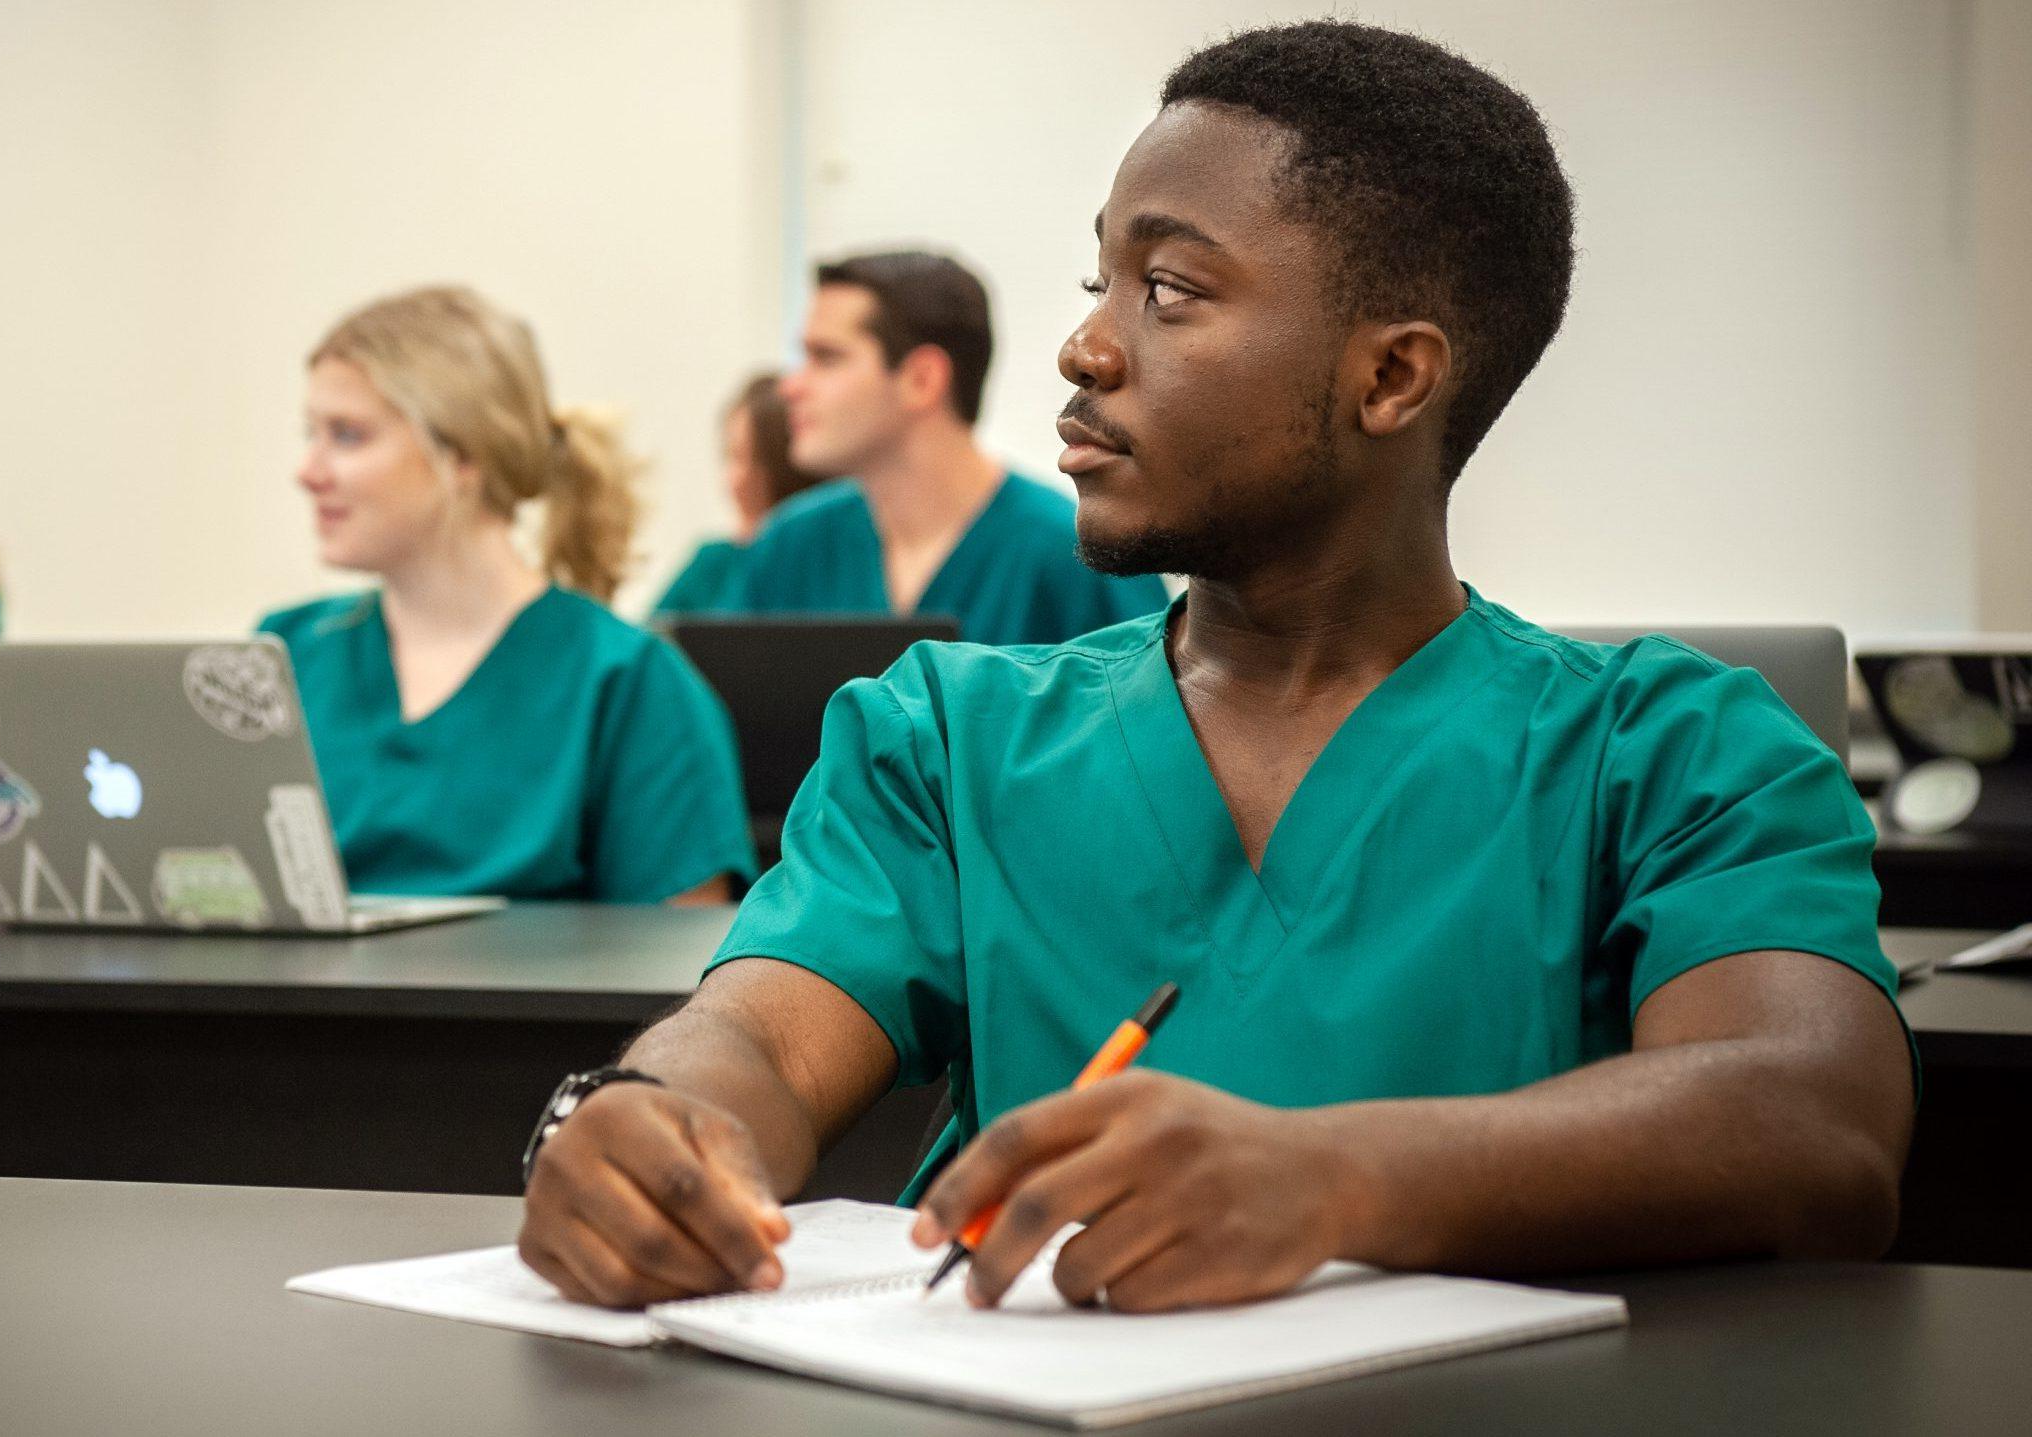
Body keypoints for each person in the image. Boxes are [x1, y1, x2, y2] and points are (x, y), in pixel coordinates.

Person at [515, 22, 1912, 1314]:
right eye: (1097, 280)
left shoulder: (1673, 753)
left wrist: (1336, 1181)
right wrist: (652, 1120)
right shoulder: (947, 737)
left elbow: (1813, 1123)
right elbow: (759, 1034)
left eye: (1170, 289)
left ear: (1391, 380)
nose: (1085, 345)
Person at [258, 287, 754, 904]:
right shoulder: (281, 658)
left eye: (348, 436)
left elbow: (688, 971)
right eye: (311, 433)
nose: (308, 471)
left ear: (464, 456)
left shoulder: (630, 686)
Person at [721, 250, 1167, 646]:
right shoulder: (790, 548)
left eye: (827, 358)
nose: (791, 387)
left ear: (922, 379)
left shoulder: (1074, 560)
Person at [652, 374, 823, 616]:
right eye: (733, 457)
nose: (737, 479)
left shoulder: (833, 566)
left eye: (759, 461)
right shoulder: (712, 565)